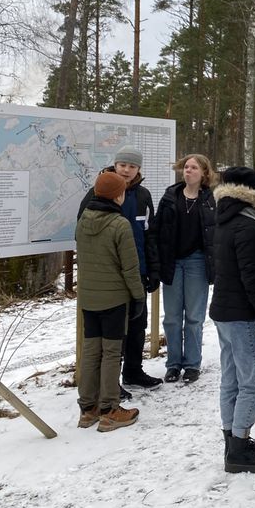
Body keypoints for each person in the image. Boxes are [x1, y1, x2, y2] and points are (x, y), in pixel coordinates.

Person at [78, 144, 162, 392]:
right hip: (110, 278)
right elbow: (84, 234)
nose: (126, 170)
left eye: (132, 166)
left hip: (137, 272)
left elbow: (150, 235)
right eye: (122, 165)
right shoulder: (97, 192)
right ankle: (109, 382)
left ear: (138, 169)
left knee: (138, 326)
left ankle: (133, 371)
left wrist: (153, 269)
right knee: (114, 335)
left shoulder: (143, 196)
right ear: (114, 165)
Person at [210, 167, 255, 474]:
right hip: (242, 313)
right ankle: (238, 447)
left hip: (224, 310)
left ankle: (233, 437)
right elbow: (252, 276)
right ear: (251, 191)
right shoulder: (248, 224)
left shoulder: (225, 217)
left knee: (233, 379)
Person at [75, 171, 144, 432]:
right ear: (118, 194)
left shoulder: (83, 221)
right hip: (114, 298)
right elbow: (129, 267)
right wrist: (137, 296)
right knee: (112, 353)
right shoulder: (119, 224)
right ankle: (109, 409)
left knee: (91, 351)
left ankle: (87, 408)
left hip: (89, 297)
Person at [155, 154, 217, 384]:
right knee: (171, 317)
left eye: (193, 168)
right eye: (186, 167)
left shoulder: (211, 200)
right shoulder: (170, 197)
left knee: (194, 317)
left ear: (204, 173)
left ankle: (192, 364)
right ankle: (173, 364)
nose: (188, 171)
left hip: (197, 262)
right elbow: (158, 230)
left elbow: (216, 235)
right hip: (172, 262)